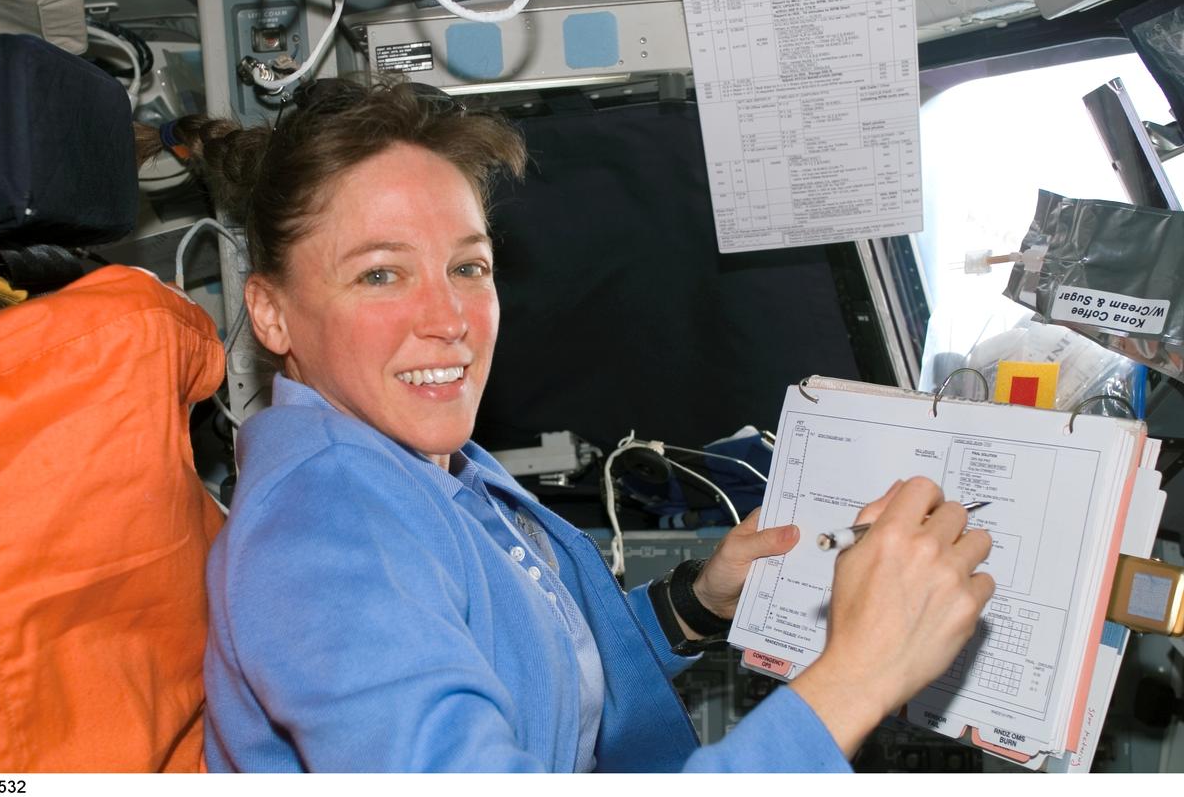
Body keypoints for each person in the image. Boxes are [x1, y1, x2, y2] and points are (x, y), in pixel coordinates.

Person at [145, 76, 995, 772]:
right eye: (380, 275)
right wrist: (860, 674)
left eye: (468, 266)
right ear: (272, 313)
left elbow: (532, 662)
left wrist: (694, 604)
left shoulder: (414, 460)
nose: (450, 319)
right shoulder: (326, 528)